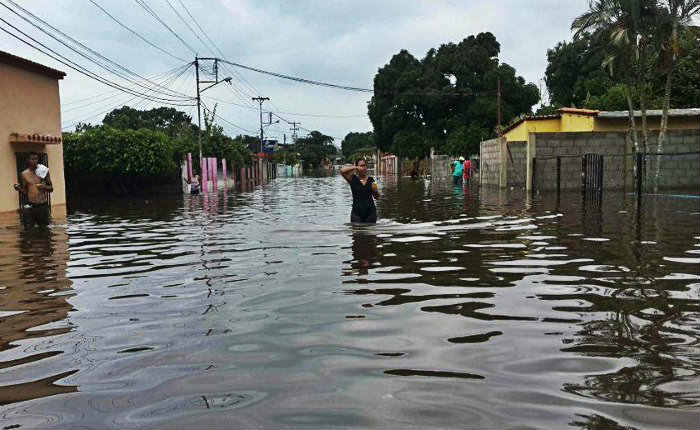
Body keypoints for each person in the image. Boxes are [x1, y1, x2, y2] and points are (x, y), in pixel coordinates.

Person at [14, 152, 53, 229]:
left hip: (42, 206)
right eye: (32, 159)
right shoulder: (24, 174)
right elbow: (25, 192)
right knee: (29, 230)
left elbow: (51, 188)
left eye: (36, 159)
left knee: (45, 230)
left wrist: (44, 187)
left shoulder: (43, 171)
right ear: (28, 160)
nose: (35, 161)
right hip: (30, 206)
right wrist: (18, 189)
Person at [341, 158, 379, 223]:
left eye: (364, 165)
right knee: (356, 232)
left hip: (370, 213)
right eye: (361, 166)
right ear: (357, 167)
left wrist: (375, 191)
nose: (363, 168)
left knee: (371, 232)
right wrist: (355, 167)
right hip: (356, 213)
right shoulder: (352, 179)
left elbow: (377, 197)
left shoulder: (371, 180)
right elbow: (342, 171)